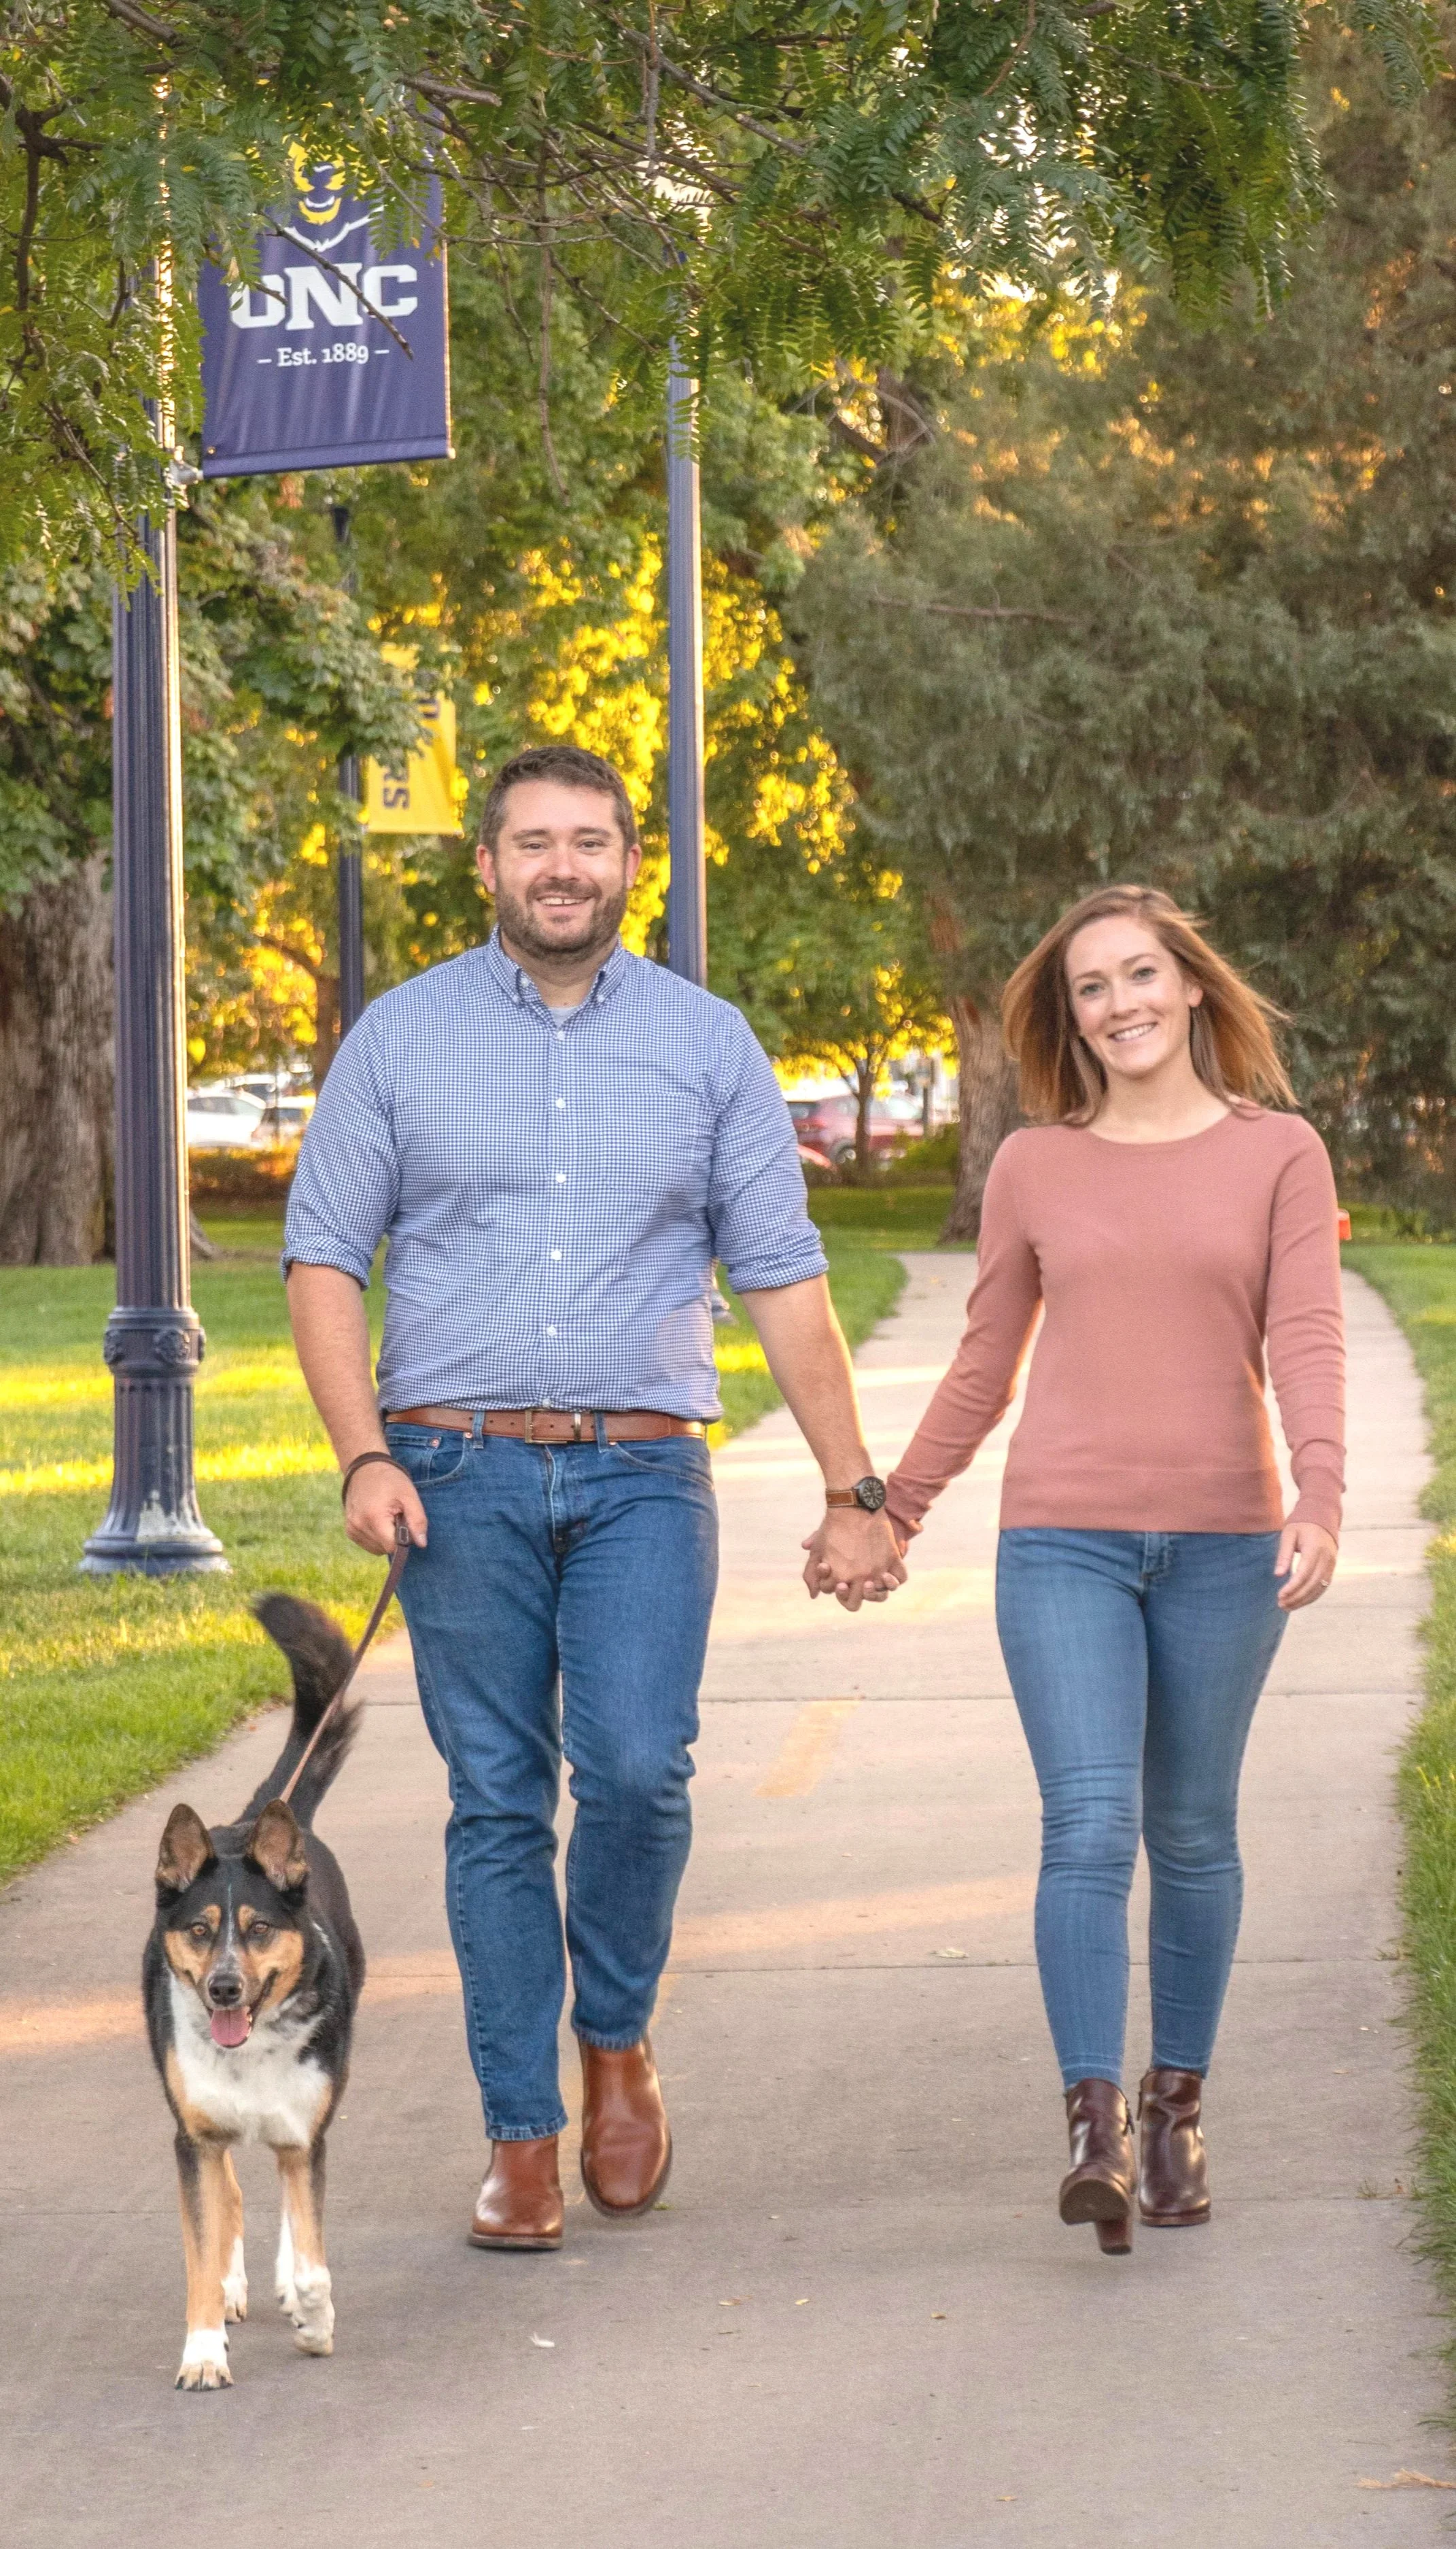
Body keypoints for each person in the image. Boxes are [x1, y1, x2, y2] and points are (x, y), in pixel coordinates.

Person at [283, 742, 904, 2253]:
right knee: (496, 1803)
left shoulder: (708, 1046)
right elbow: (321, 1260)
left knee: (636, 1773)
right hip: (452, 1473)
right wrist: (363, 1453)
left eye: (593, 841)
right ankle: (523, 2138)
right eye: (534, 842)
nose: (564, 865)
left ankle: (615, 2039)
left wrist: (854, 1487)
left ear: (634, 865)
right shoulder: (399, 1041)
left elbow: (785, 1280)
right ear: (487, 866)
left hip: (640, 1471)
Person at [884, 884, 1344, 2255]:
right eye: (1092, 987)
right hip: (1064, 1540)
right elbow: (986, 1360)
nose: (1120, 1004)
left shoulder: (1282, 1154)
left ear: (1193, 987)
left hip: (1224, 1541)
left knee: (1194, 1833)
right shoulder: (1035, 1164)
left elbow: (1309, 1338)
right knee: (1087, 1823)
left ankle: (1173, 2107)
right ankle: (1091, 2124)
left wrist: (1319, 1494)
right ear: (1068, 1014)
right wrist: (896, 1506)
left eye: (1142, 975)